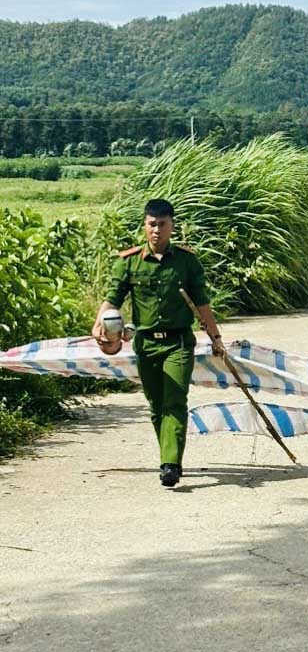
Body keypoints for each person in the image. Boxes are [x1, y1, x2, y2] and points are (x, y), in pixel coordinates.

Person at [93, 199, 225, 488]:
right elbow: (113, 297)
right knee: (155, 405)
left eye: (162, 225)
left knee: (175, 400)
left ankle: (170, 464)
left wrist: (215, 338)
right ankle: (169, 454)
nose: (156, 230)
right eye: (152, 224)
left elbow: (202, 302)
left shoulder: (186, 261)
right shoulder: (129, 261)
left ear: (172, 226)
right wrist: (99, 322)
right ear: (145, 225)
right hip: (146, 344)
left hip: (178, 342)